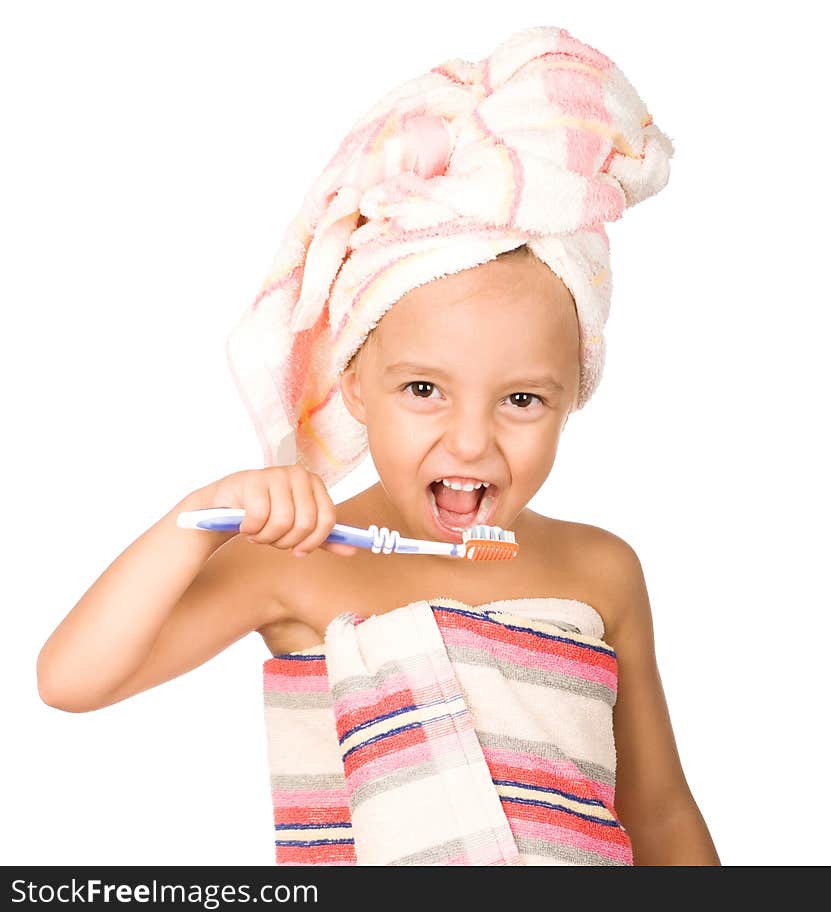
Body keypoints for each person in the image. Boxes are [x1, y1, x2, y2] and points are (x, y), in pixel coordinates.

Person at [36, 25, 720, 867]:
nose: (470, 439)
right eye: (423, 390)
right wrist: (196, 517)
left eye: (521, 399)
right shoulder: (297, 561)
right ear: (354, 383)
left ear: (574, 393)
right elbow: (71, 680)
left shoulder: (601, 571)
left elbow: (659, 818)